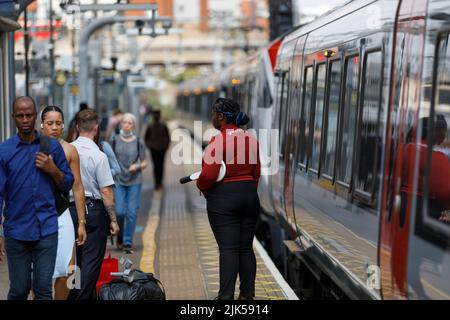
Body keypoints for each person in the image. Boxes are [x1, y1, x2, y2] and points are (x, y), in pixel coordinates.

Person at [0, 96, 74, 300]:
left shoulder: (51, 147)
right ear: (13, 117)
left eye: (29, 115)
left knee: (43, 289)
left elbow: (68, 183)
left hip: (46, 230)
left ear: (35, 118)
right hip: (16, 232)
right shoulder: (5, 151)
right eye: (20, 115)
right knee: (19, 289)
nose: (25, 119)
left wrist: (53, 170)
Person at [196, 98, 261, 300]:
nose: (212, 117)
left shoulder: (218, 141)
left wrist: (201, 187)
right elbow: (256, 172)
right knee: (245, 248)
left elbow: (208, 174)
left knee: (228, 249)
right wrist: (248, 191)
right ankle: (247, 295)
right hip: (249, 196)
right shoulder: (251, 139)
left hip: (224, 199)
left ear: (221, 117)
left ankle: (225, 298)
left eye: (214, 114)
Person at [68, 108, 120, 300]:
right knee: (90, 263)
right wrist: (113, 220)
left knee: (74, 262)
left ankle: (73, 295)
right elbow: (106, 191)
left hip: (70, 211)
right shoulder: (99, 156)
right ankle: (83, 297)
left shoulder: (67, 150)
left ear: (77, 127)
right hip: (94, 211)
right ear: (96, 128)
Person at [40, 105, 88, 300]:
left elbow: (77, 187)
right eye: (49, 123)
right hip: (38, 218)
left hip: (62, 214)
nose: (54, 127)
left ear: (63, 126)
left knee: (70, 269)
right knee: (40, 273)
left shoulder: (70, 150)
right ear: (41, 125)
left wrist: (82, 223)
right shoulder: (33, 148)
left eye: (58, 123)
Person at [111, 113, 148, 253]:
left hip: (135, 180)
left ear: (133, 125)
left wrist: (137, 166)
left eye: (130, 123)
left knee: (131, 212)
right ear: (121, 125)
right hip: (119, 180)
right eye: (124, 122)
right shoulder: (114, 140)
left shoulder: (139, 141)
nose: (126, 125)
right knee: (120, 211)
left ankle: (127, 241)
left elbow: (144, 162)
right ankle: (119, 236)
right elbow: (108, 158)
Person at [144, 110, 170, 190]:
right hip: (155, 149)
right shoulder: (151, 126)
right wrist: (150, 146)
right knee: (158, 166)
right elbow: (146, 138)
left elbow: (168, 138)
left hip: (160, 149)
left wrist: (165, 147)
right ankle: (157, 182)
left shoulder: (162, 126)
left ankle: (159, 182)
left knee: (158, 166)